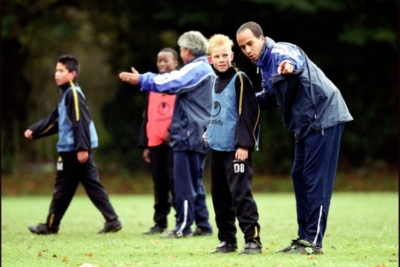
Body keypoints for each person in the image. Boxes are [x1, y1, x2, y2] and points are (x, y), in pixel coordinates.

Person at [236, 21, 353, 255]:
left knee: (315, 178)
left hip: (323, 116)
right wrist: (241, 100)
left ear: (262, 38)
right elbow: (270, 98)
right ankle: (303, 239)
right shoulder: (263, 66)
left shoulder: (280, 52)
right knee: (299, 175)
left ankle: (313, 242)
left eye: (250, 43)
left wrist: (289, 66)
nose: (247, 49)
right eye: (242, 47)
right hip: (304, 124)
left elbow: (293, 61)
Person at [119, 31, 214, 238]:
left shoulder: (197, 68)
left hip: (188, 134)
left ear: (187, 51)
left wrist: (142, 79)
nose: (181, 53)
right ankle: (204, 224)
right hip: (197, 132)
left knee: (184, 184)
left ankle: (182, 228)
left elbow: (172, 82)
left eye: (181, 50)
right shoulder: (205, 68)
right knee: (195, 183)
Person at [25, 55, 122, 235]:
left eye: (61, 71)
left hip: (73, 151)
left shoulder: (73, 93)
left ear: (72, 74)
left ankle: (51, 226)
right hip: (73, 150)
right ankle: (113, 220)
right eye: (56, 70)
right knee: (90, 185)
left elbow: (80, 121)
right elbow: (55, 120)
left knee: (62, 186)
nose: (57, 74)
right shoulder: (65, 94)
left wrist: (82, 147)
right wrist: (35, 130)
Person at [203, 34, 262, 255]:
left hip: (236, 150)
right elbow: (219, 112)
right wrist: (209, 131)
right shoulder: (216, 80)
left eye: (225, 55)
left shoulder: (240, 79)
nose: (221, 59)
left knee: (240, 194)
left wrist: (244, 145)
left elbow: (248, 113)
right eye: (217, 56)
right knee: (220, 197)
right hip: (217, 149)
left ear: (232, 55)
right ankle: (227, 240)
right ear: (210, 59)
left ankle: (253, 240)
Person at [139, 48, 178, 235]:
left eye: (166, 60)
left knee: (175, 182)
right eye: (159, 61)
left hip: (174, 144)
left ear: (176, 63)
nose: (161, 64)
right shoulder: (152, 87)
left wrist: (172, 131)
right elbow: (146, 117)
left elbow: (184, 112)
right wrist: (145, 144)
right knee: (159, 184)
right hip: (154, 144)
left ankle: (182, 220)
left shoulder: (180, 85)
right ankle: (160, 222)